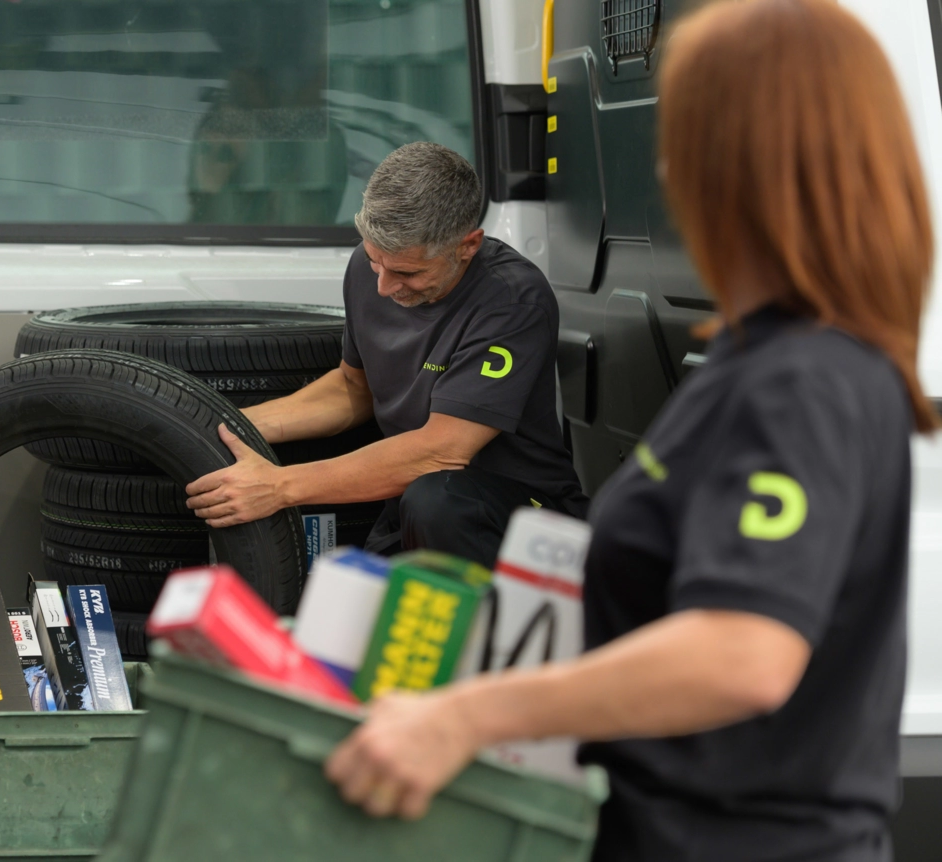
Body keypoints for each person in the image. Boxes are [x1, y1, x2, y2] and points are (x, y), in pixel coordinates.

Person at [323, 1, 937, 859]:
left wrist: (470, 715)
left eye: (684, 132)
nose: (668, 164)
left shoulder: (800, 383)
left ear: (748, 167)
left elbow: (741, 654)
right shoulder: (771, 359)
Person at [184, 142, 587, 569]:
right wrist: (224, 425)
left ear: (468, 246)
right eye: (376, 262)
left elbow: (442, 451)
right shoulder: (368, 267)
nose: (383, 287)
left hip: (519, 517)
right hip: (412, 506)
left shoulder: (513, 300)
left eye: (408, 272)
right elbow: (352, 389)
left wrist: (279, 487)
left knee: (439, 498)